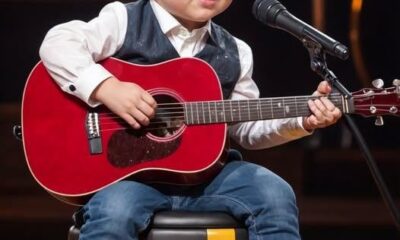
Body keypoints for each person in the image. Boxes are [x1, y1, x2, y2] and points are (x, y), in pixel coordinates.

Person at [39, 0, 342, 239]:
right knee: (115, 211)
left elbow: (246, 128)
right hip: (129, 178)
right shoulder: (124, 20)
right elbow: (58, 42)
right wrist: (107, 88)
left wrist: (304, 121)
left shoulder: (236, 50)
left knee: (274, 193)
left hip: (210, 178)